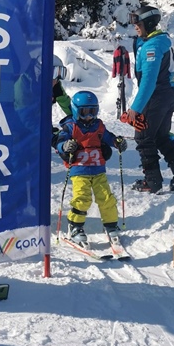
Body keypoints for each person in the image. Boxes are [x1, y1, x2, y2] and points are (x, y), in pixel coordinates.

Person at [126, 5, 174, 194]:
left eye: (138, 21)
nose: (134, 25)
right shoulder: (156, 40)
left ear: (149, 23)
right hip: (166, 94)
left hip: (157, 96)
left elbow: (149, 82)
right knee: (160, 136)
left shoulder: (152, 46)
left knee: (143, 137)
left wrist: (135, 108)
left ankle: (152, 181)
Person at [55, 90, 127, 245]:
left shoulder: (98, 126)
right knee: (82, 198)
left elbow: (109, 137)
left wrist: (117, 142)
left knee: (106, 198)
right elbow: (60, 142)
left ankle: (111, 225)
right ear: (75, 110)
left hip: (98, 169)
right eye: (84, 112)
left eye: (92, 112)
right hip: (79, 170)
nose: (89, 117)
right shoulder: (70, 127)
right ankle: (75, 226)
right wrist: (65, 146)